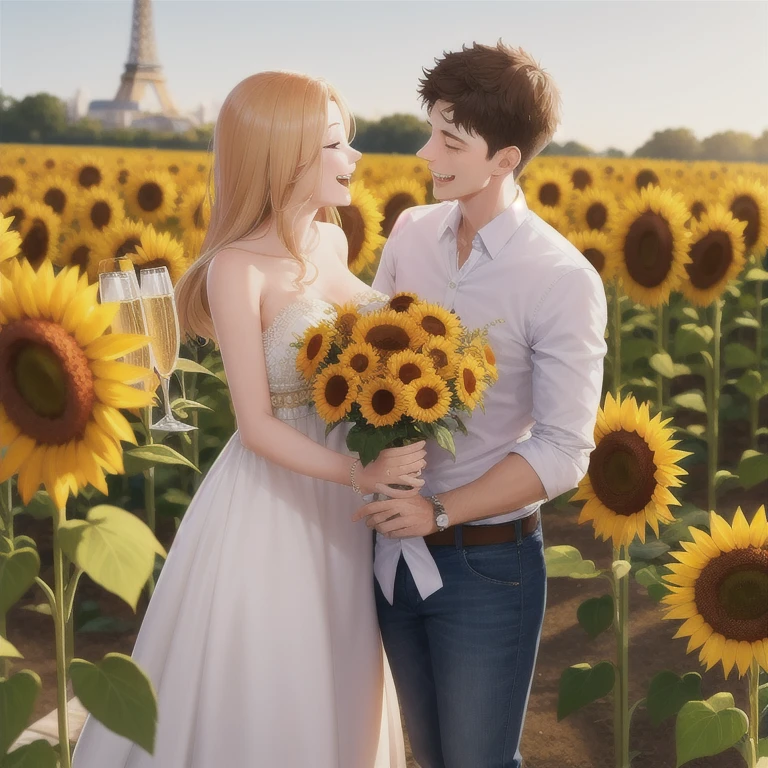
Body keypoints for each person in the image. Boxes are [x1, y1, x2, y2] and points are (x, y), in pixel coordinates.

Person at [72, 71, 423, 768]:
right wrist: (361, 471)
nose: (352, 158)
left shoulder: (330, 242)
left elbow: (377, 326)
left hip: (343, 500)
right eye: (333, 143)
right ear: (284, 155)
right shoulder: (236, 268)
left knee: (341, 656)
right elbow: (257, 427)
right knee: (274, 661)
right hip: (278, 495)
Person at [354, 42, 609, 768]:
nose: (425, 150)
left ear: (506, 159)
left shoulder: (560, 279)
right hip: (388, 552)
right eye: (431, 129)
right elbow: (366, 355)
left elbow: (565, 448)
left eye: (449, 140)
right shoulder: (409, 232)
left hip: (488, 570)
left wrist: (439, 510)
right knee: (425, 757)